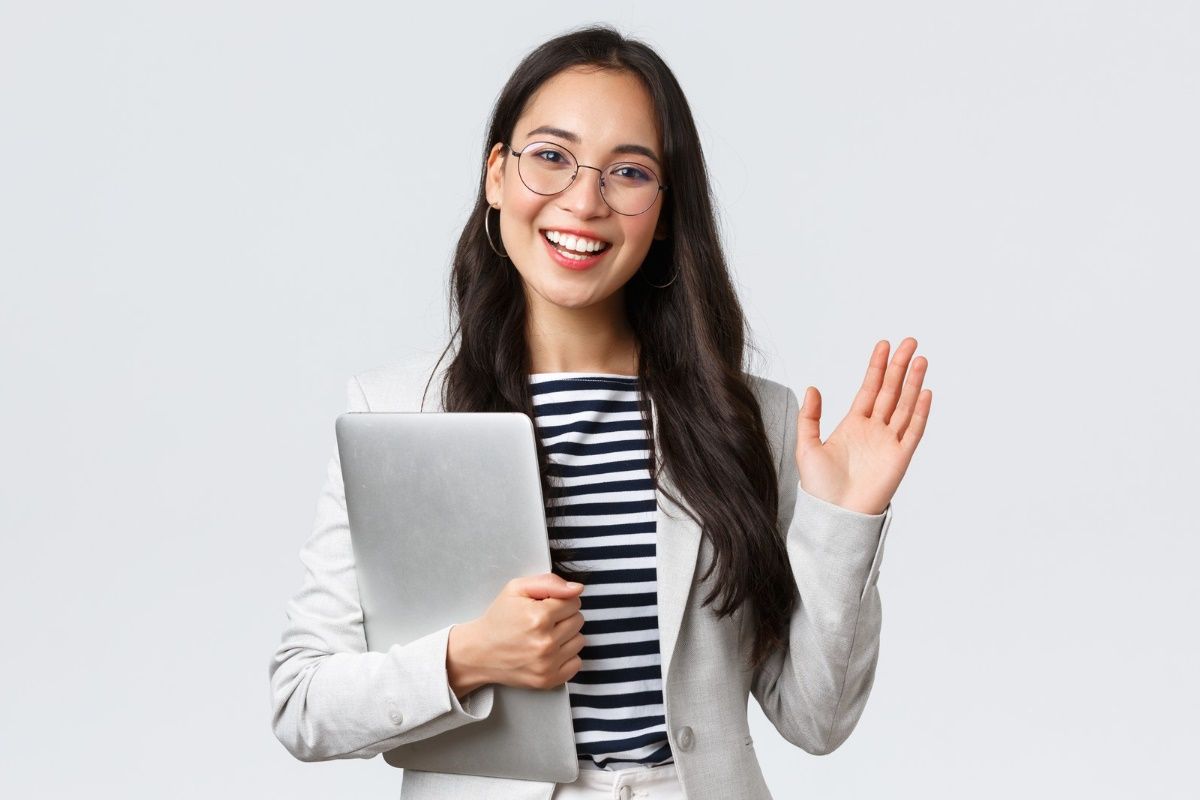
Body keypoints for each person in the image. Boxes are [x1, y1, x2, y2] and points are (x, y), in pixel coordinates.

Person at [268, 23, 931, 800]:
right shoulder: (398, 412)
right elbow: (302, 703)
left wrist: (844, 521)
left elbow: (817, 720)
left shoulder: (754, 420)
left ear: (664, 208)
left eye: (629, 171)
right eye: (550, 157)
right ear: (497, 175)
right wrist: (470, 655)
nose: (584, 201)